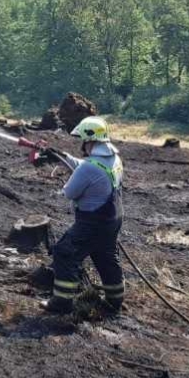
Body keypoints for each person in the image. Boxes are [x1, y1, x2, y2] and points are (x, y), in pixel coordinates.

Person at [42, 116, 125, 315]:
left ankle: (61, 303)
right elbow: (88, 166)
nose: (82, 144)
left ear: (90, 140)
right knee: (105, 256)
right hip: (112, 218)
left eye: (83, 140)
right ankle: (115, 301)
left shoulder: (89, 167)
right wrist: (62, 156)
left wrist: (67, 183)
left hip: (92, 223)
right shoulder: (114, 159)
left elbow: (70, 192)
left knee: (64, 252)